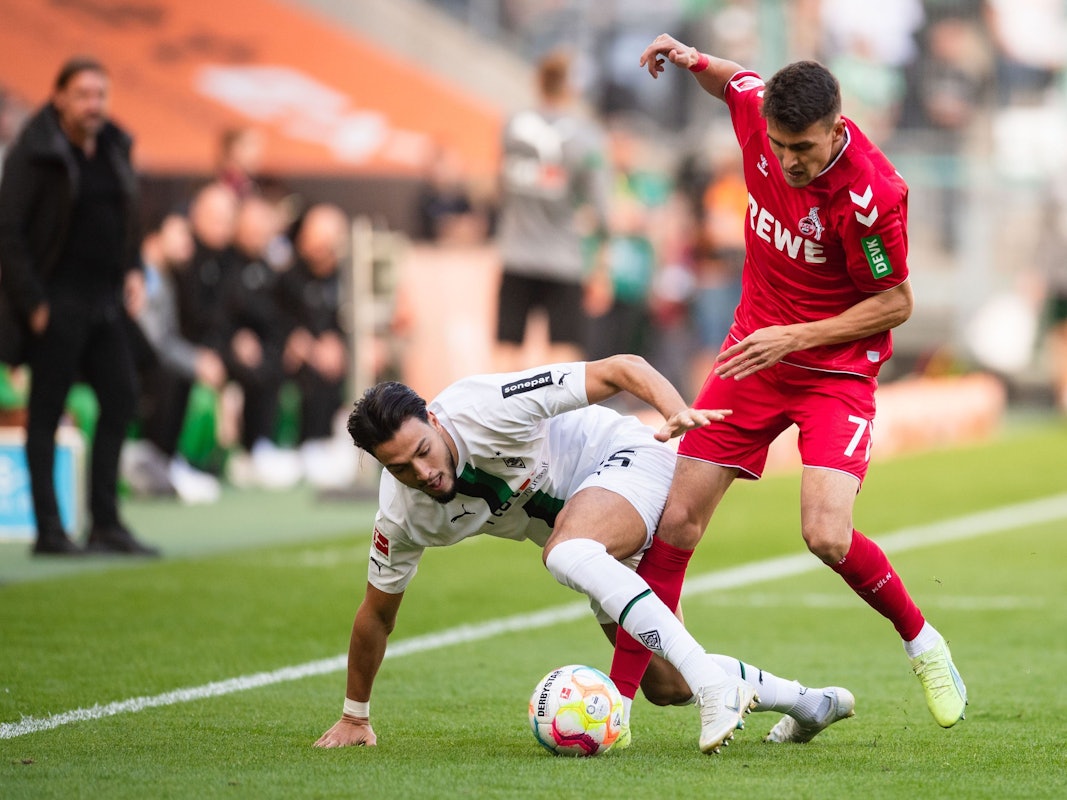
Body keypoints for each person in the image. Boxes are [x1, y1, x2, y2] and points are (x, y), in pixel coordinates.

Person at [607, 34, 967, 730]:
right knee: (675, 520)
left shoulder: (870, 197)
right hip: (753, 358)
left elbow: (895, 303)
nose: (788, 160)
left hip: (833, 370)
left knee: (825, 534)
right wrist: (689, 58)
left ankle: (923, 643)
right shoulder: (756, 115)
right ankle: (616, 706)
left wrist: (797, 336)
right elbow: (735, 81)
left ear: (836, 127)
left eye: (803, 147)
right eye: (779, 145)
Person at [314, 356, 857, 753]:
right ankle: (808, 703)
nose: (422, 473)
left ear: (434, 420)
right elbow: (376, 615)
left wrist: (674, 411)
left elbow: (620, 367)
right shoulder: (403, 515)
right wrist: (354, 715)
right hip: (591, 538)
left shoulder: (486, 406)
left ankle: (716, 685)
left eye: (423, 452)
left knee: (564, 551)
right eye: (400, 468)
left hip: (627, 463)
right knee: (667, 687)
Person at [0, 56, 158, 556]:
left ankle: (105, 522)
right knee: (46, 412)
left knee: (121, 397)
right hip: (56, 299)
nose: (94, 104)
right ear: (59, 97)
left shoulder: (114, 144)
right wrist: (33, 302)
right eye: (84, 94)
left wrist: (133, 266)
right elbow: (8, 234)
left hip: (105, 298)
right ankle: (50, 530)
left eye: (100, 95)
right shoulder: (35, 151)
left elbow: (127, 216)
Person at [494, 50, 611, 371]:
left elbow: (500, 187)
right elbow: (601, 210)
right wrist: (601, 267)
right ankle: (555, 423)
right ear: (572, 87)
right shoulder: (587, 137)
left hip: (516, 252)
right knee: (562, 361)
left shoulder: (512, 126)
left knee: (507, 349)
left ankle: (504, 422)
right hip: (564, 260)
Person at [125, 212, 226, 503]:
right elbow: (153, 342)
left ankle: (168, 462)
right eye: (180, 234)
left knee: (180, 375)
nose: (188, 244)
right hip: (129, 366)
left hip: (147, 364)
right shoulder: (141, 274)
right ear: (156, 234)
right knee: (170, 374)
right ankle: (156, 463)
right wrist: (196, 361)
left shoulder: (166, 277)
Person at [277, 203, 356, 488]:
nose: (318, 245)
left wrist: (347, 348)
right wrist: (310, 348)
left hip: (344, 359)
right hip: (304, 360)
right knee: (312, 372)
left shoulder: (349, 278)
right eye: (312, 236)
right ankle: (311, 444)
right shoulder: (288, 278)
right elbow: (282, 324)